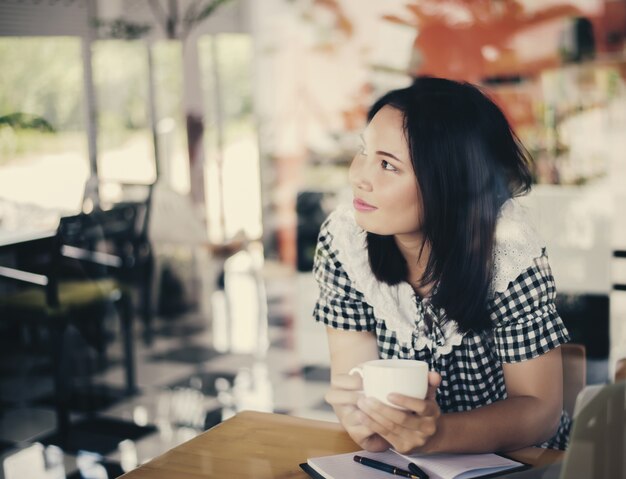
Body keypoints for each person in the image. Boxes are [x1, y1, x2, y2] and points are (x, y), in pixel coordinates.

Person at [313, 76, 571, 454]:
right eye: (363, 151)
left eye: (387, 165)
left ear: (450, 184)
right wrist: (362, 419)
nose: (359, 177)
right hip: (407, 463)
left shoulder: (508, 254)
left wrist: (437, 435)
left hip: (521, 461)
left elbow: (540, 411)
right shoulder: (346, 243)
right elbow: (357, 391)